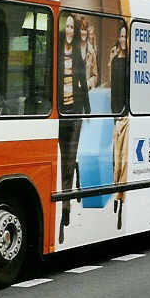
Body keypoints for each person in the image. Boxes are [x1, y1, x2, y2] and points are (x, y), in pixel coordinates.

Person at [58, 13, 90, 244]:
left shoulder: (78, 55)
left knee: (69, 160)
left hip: (75, 112)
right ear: (63, 29)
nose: (70, 30)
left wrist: (88, 109)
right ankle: (66, 195)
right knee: (64, 160)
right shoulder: (57, 54)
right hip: (61, 114)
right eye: (67, 26)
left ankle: (66, 205)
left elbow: (82, 83)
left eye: (72, 26)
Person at [110, 24, 129, 230]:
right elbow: (115, 91)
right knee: (116, 163)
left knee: (123, 163)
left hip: (127, 118)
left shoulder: (132, 64)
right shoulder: (115, 62)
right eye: (121, 36)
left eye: (126, 36)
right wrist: (113, 117)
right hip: (116, 118)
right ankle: (117, 199)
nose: (123, 39)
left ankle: (121, 203)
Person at [79, 17, 98, 90]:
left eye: (85, 30)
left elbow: (95, 76)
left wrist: (89, 82)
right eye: (81, 29)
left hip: (86, 93)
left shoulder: (91, 51)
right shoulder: (73, 49)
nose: (83, 32)